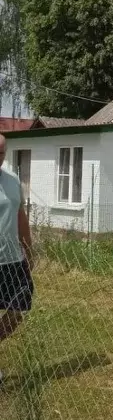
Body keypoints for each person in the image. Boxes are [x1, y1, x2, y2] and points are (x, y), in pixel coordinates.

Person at [0, 134, 34, 374]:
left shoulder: (12, 180)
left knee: (16, 313)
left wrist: (28, 248)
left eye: (1, 153)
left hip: (12, 260)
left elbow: (20, 216)